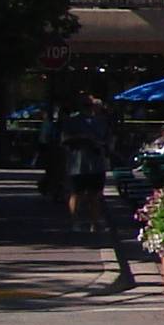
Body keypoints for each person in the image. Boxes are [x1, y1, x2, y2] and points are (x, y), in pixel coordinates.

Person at [62, 100, 113, 235]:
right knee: (76, 194)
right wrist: (82, 137)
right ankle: (76, 222)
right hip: (78, 163)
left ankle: (94, 223)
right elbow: (64, 139)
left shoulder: (102, 122)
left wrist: (102, 145)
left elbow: (108, 142)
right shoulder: (73, 120)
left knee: (95, 194)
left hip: (96, 163)